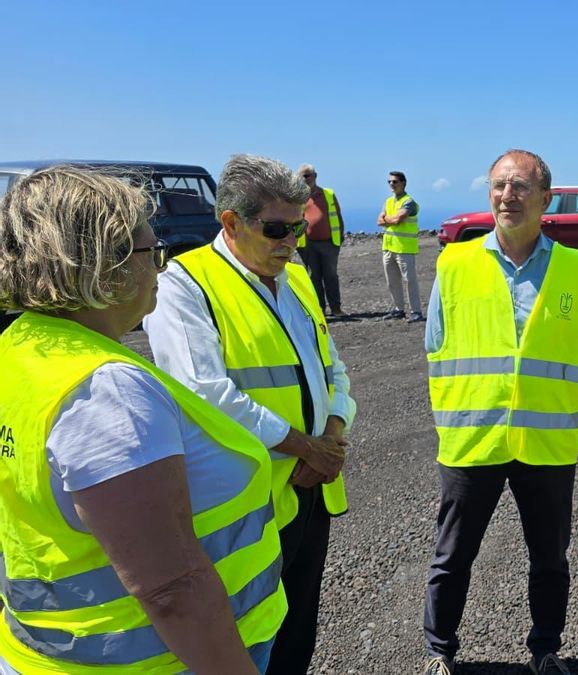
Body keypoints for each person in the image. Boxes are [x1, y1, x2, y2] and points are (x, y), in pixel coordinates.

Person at [0, 166, 286, 674]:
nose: (162, 267)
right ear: (105, 265)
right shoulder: (107, 393)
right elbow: (173, 588)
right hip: (159, 661)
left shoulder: (21, 347)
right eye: (153, 253)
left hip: (48, 651)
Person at [144, 154, 357, 675]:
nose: (291, 242)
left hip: (310, 486)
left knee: (298, 625)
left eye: (298, 228)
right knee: (248, 636)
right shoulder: (185, 285)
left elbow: (333, 369)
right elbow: (204, 392)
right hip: (246, 503)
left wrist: (332, 435)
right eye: (277, 229)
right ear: (231, 222)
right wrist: (307, 447)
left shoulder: (297, 279)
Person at [421, 149, 578, 675]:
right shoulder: (454, 264)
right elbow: (435, 343)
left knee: (549, 559)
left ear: (545, 199)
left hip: (547, 444)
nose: (508, 196)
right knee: (452, 556)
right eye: (500, 185)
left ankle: (546, 650)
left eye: (521, 186)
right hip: (472, 439)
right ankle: (439, 651)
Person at [297, 163, 347, 317]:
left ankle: (336, 308)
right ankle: (319, 310)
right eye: (302, 177)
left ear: (315, 176)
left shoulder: (328, 194)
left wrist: (340, 237)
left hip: (329, 243)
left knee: (330, 276)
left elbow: (338, 215)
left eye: (307, 176)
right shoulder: (297, 198)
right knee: (314, 277)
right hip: (307, 245)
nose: (305, 179)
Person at [377, 170, 425, 321]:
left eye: (395, 181)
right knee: (392, 281)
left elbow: (398, 219)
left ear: (403, 183)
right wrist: (390, 219)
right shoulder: (388, 201)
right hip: (388, 247)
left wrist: (387, 219)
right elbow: (379, 221)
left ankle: (416, 311)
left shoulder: (409, 202)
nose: (392, 184)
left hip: (404, 248)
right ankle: (399, 309)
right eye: (389, 182)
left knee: (409, 280)